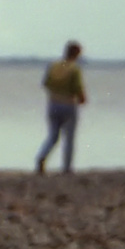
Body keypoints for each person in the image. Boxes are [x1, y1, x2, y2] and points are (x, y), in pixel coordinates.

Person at [35, 40, 87, 174]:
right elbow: (78, 88)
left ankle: (41, 157)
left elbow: (46, 83)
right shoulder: (74, 69)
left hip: (53, 104)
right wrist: (82, 99)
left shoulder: (53, 66)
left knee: (53, 135)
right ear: (76, 54)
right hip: (69, 105)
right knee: (69, 138)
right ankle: (67, 167)